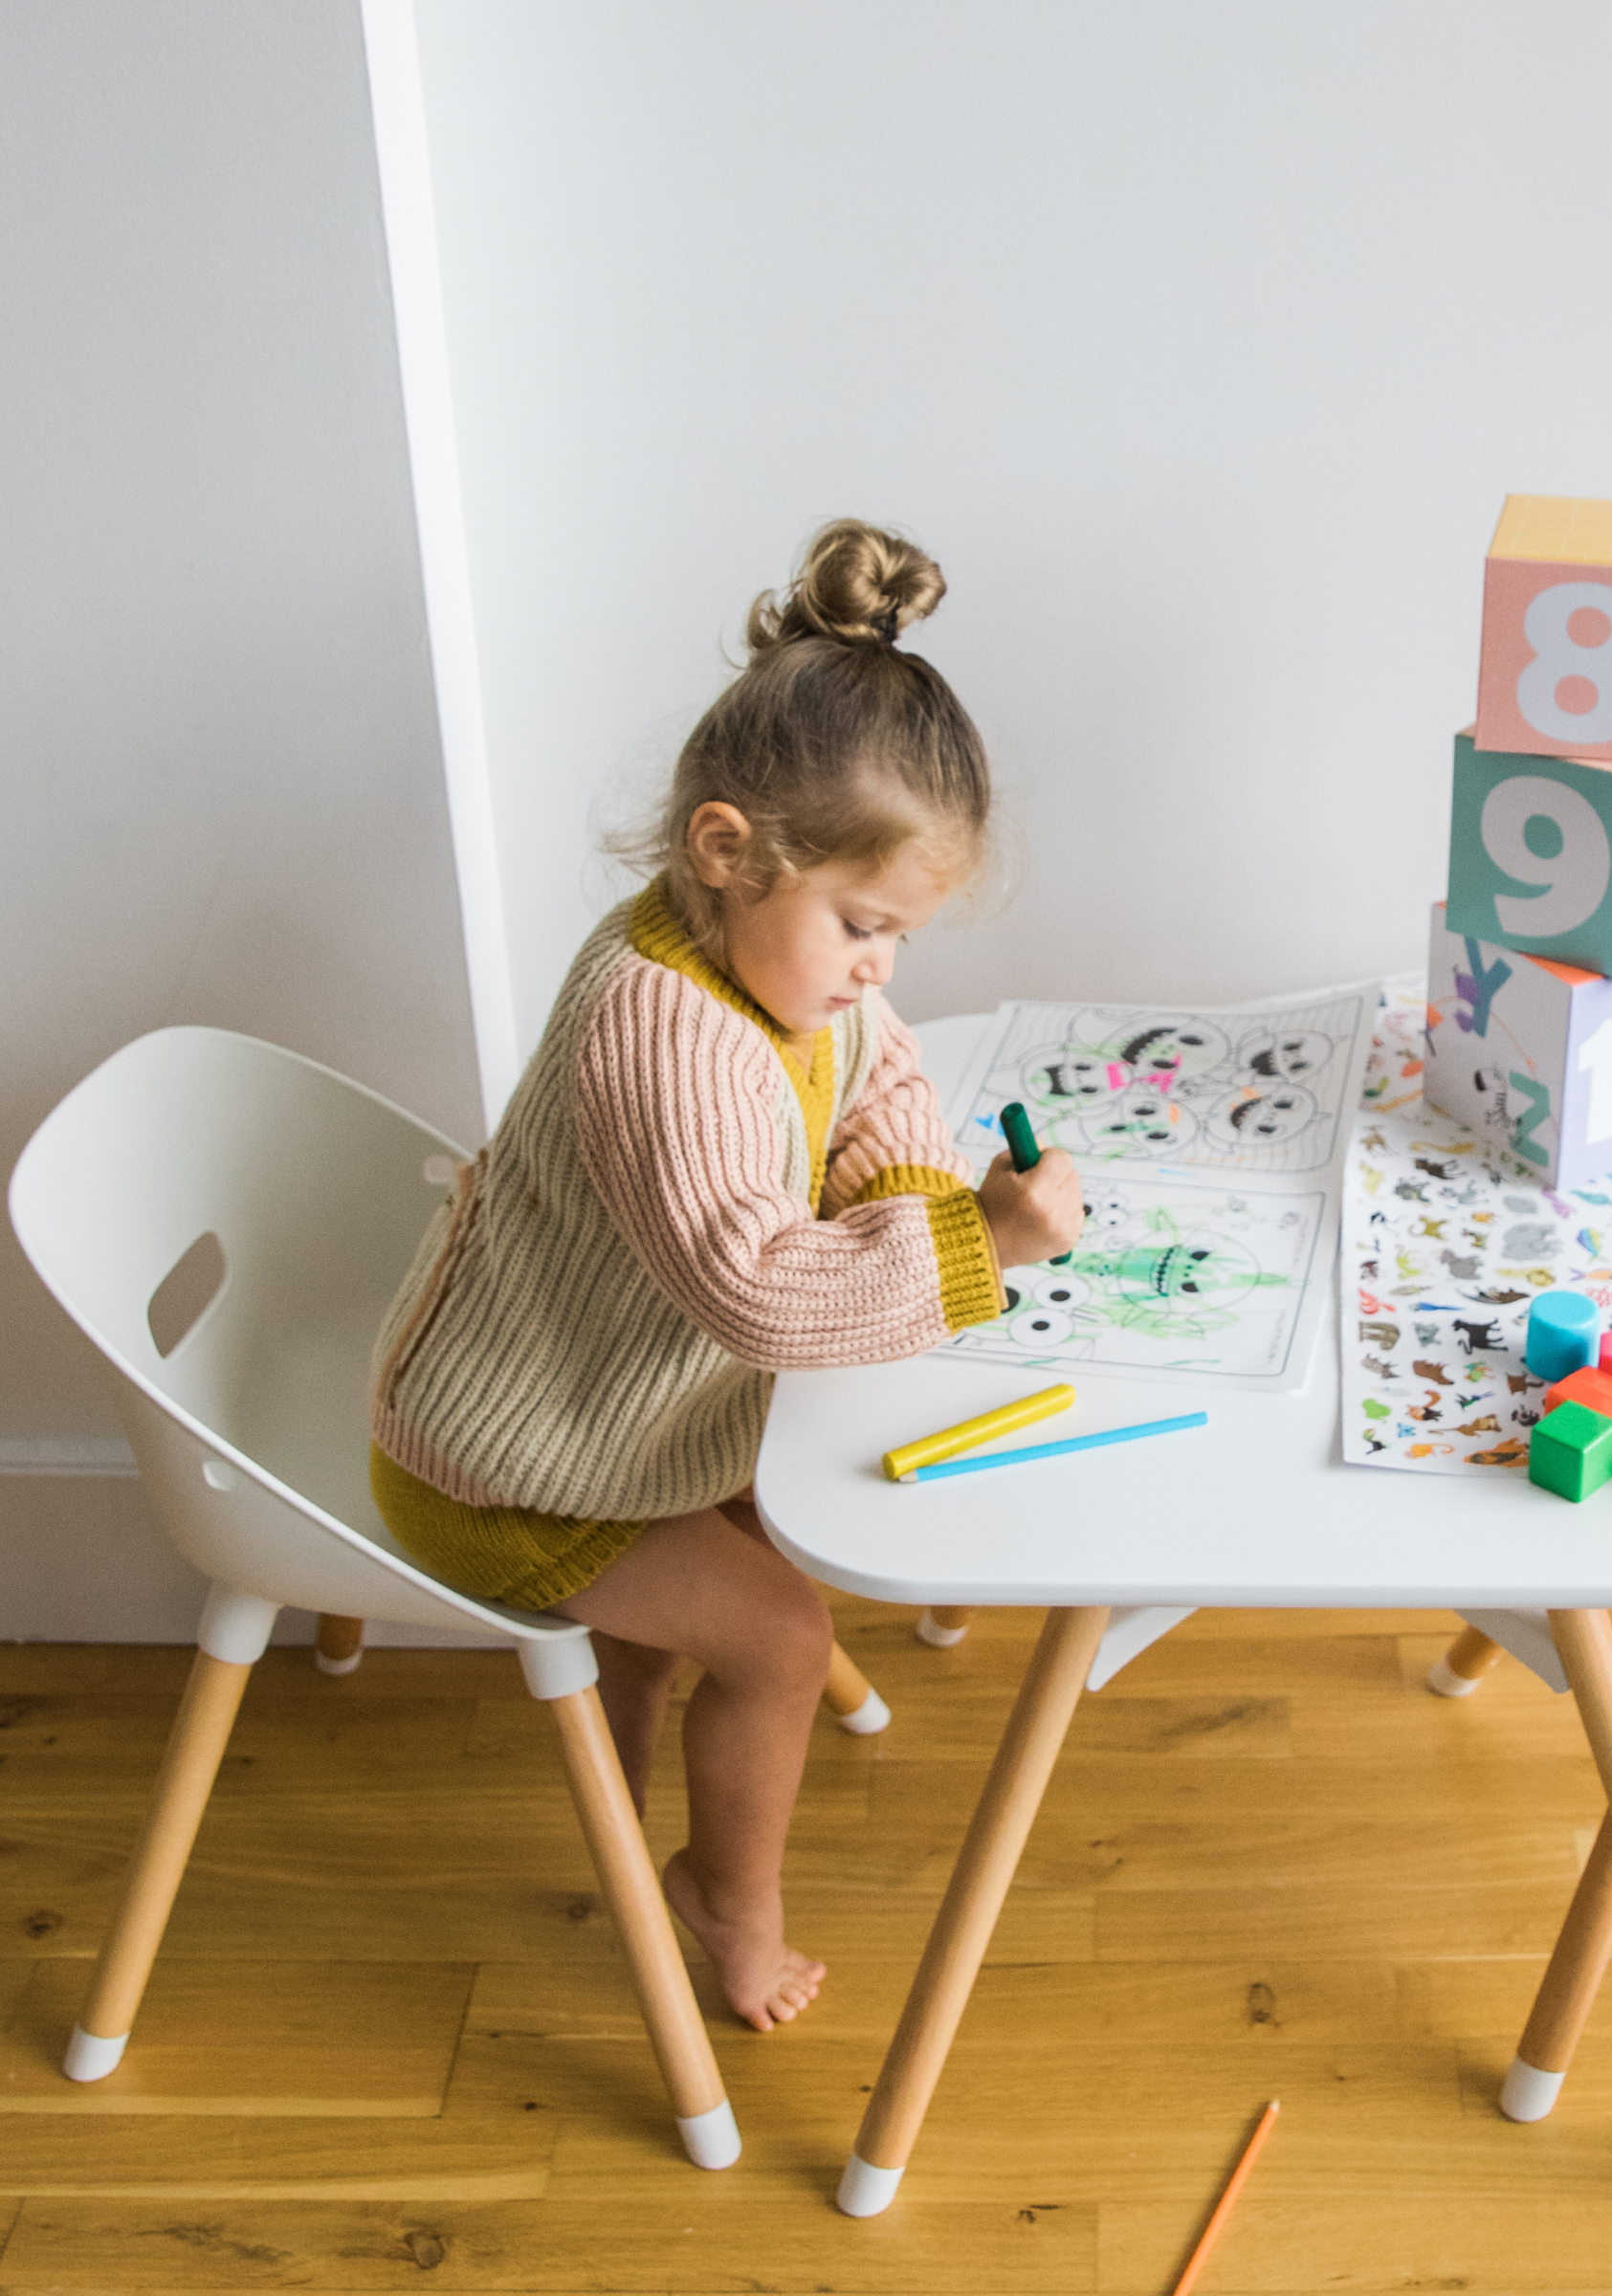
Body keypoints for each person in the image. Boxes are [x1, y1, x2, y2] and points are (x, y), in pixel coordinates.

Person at [367, 519, 1082, 2029]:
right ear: (725, 848)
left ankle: (624, 1784)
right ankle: (722, 1903)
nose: (881, 967)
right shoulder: (661, 1026)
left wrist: (904, 1181)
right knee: (784, 1635)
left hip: (617, 1416)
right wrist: (976, 1243)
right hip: (512, 1461)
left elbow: (878, 1073)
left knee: (774, 1528)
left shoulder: (777, 961)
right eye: (867, 926)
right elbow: (761, 1291)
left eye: (899, 934)